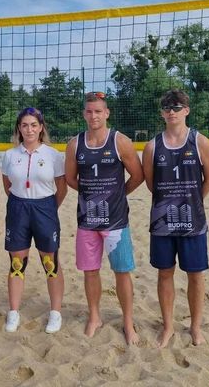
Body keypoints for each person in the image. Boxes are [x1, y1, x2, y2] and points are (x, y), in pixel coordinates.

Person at [65, 91, 144, 345]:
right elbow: (70, 179)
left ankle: (128, 322)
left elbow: (138, 175)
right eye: (89, 111)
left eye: (98, 111)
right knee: (90, 272)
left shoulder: (120, 141)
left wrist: (118, 194)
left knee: (122, 272)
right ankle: (95, 317)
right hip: (87, 220)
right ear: (84, 114)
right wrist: (93, 195)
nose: (94, 116)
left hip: (116, 221)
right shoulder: (75, 144)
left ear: (107, 113)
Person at [142, 89, 209, 348]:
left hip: (193, 220)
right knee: (165, 273)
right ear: (162, 113)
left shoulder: (200, 141)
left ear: (186, 110)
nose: (171, 111)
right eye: (167, 107)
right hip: (162, 221)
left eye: (176, 107)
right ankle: (168, 327)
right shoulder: (152, 146)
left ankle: (195, 328)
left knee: (196, 274)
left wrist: (192, 201)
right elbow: (151, 184)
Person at [1, 107, 67, 333]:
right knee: (17, 263)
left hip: (45, 207)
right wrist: (22, 202)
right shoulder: (10, 155)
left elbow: (61, 188)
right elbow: (7, 185)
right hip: (18, 207)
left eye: (33, 125)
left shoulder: (53, 155)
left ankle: (55, 312)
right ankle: (13, 312)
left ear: (41, 128)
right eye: (24, 125)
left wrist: (48, 208)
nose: (29, 129)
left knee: (50, 263)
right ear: (19, 128)